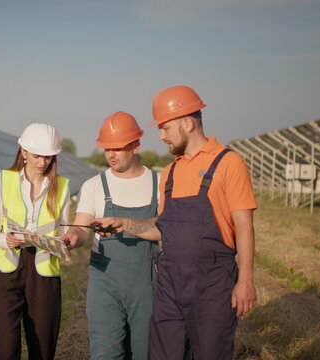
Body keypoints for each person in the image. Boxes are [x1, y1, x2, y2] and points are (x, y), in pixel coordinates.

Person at [95, 86, 257, 360]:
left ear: (188, 123)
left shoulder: (229, 163)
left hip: (213, 282)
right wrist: (124, 223)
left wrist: (246, 281)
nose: (160, 136)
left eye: (165, 128)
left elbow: (244, 226)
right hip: (170, 282)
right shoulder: (171, 172)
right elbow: (164, 228)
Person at [61, 111, 159, 359]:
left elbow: (163, 231)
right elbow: (81, 228)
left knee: (144, 351)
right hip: (104, 281)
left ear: (136, 146)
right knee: (106, 352)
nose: (111, 155)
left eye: (118, 148)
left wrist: (125, 223)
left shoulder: (158, 184)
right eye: (107, 149)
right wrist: (73, 236)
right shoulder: (94, 186)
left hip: (146, 282)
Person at [0, 123, 71, 360]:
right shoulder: (3, 180)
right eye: (37, 155)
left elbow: (64, 231)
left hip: (44, 273)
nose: (43, 162)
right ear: (23, 152)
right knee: (7, 347)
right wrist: (7, 240)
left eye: (48, 156)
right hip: (7, 271)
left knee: (43, 348)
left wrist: (66, 241)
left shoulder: (62, 186)